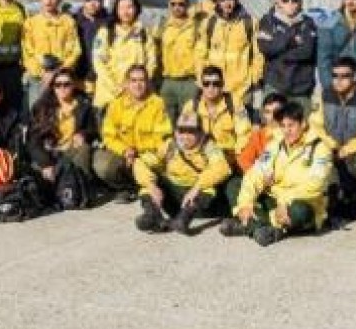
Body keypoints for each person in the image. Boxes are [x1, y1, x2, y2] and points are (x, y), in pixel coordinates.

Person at [225, 100, 333, 246]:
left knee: (300, 211)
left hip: (302, 203)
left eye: (291, 125)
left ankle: (250, 224)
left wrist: (285, 202)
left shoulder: (320, 148)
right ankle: (259, 226)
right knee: (235, 184)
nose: (287, 131)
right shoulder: (275, 144)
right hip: (276, 199)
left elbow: (315, 185)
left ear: (303, 124)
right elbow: (255, 174)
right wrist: (246, 203)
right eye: (283, 126)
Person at [133, 109, 232, 234]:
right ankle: (152, 214)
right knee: (149, 181)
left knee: (208, 186)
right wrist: (151, 186)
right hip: (173, 194)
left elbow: (221, 167)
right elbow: (142, 162)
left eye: (191, 131)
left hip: (196, 199)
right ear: (175, 132)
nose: (185, 136)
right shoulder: (170, 146)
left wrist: (197, 187)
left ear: (200, 132)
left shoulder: (208, 147)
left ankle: (183, 220)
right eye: (181, 130)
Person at [309, 55, 356, 222]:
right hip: (332, 147)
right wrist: (331, 145)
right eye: (335, 75)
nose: (339, 81)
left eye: (345, 76)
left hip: (355, 149)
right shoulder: (326, 94)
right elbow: (315, 124)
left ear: (355, 76)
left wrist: (346, 149)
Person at [25, 67, 99, 208]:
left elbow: (93, 130)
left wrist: (84, 134)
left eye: (66, 84)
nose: (62, 88)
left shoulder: (83, 104)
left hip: (72, 151)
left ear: (73, 85)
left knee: (84, 149)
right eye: (58, 85)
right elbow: (33, 141)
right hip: (50, 154)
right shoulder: (41, 107)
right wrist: (45, 163)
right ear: (52, 87)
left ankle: (81, 190)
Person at [92, 65, 173, 194]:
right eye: (133, 81)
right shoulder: (115, 105)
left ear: (148, 83)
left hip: (148, 155)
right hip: (124, 154)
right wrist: (125, 150)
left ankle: (150, 184)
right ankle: (128, 188)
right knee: (102, 165)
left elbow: (161, 137)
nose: (138, 85)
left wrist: (139, 154)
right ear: (127, 84)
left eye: (142, 80)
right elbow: (109, 136)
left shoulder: (158, 104)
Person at [195, 0, 264, 115]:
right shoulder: (209, 23)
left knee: (243, 124)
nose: (227, 3)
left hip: (242, 89)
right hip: (215, 88)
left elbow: (258, 54)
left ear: (237, 0)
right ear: (218, 1)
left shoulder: (250, 23)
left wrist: (254, 79)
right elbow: (200, 54)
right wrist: (202, 80)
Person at [184, 64, 249, 207]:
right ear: (201, 85)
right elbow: (185, 139)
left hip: (228, 158)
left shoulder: (235, 103)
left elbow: (244, 133)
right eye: (207, 83)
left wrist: (236, 154)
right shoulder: (191, 106)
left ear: (222, 84)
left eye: (216, 83)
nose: (211, 87)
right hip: (201, 158)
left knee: (233, 189)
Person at [257, 0, 319, 104]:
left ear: (300, 2)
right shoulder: (268, 22)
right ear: (280, 2)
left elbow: (306, 52)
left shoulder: (308, 23)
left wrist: (280, 52)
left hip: (301, 87)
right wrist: (291, 40)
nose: (290, 3)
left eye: (294, 0)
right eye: (286, 0)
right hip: (275, 85)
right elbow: (266, 48)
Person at [92, 0, 156, 112]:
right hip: (109, 97)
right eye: (121, 7)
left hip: (137, 96)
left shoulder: (144, 33)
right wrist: (117, 88)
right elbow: (99, 63)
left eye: (129, 7)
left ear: (136, 9)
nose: (125, 11)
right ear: (116, 10)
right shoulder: (106, 32)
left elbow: (151, 62)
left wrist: (137, 84)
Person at [21, 0, 80, 105]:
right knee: (38, 111)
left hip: (62, 79)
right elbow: (27, 52)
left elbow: (75, 50)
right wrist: (42, 73)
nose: (48, 1)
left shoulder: (68, 22)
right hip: (38, 79)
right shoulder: (31, 23)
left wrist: (58, 72)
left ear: (59, 0)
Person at [156, 0, 202, 122]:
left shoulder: (196, 26)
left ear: (187, 5)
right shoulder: (162, 26)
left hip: (189, 83)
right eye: (173, 4)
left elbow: (201, 55)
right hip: (168, 82)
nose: (177, 7)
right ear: (168, 5)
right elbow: (155, 53)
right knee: (166, 123)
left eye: (181, 4)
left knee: (188, 123)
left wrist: (200, 81)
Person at [73, 0, 109, 95]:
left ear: (102, 1)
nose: (92, 3)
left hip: (103, 79)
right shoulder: (73, 21)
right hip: (78, 78)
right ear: (83, 1)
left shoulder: (110, 22)